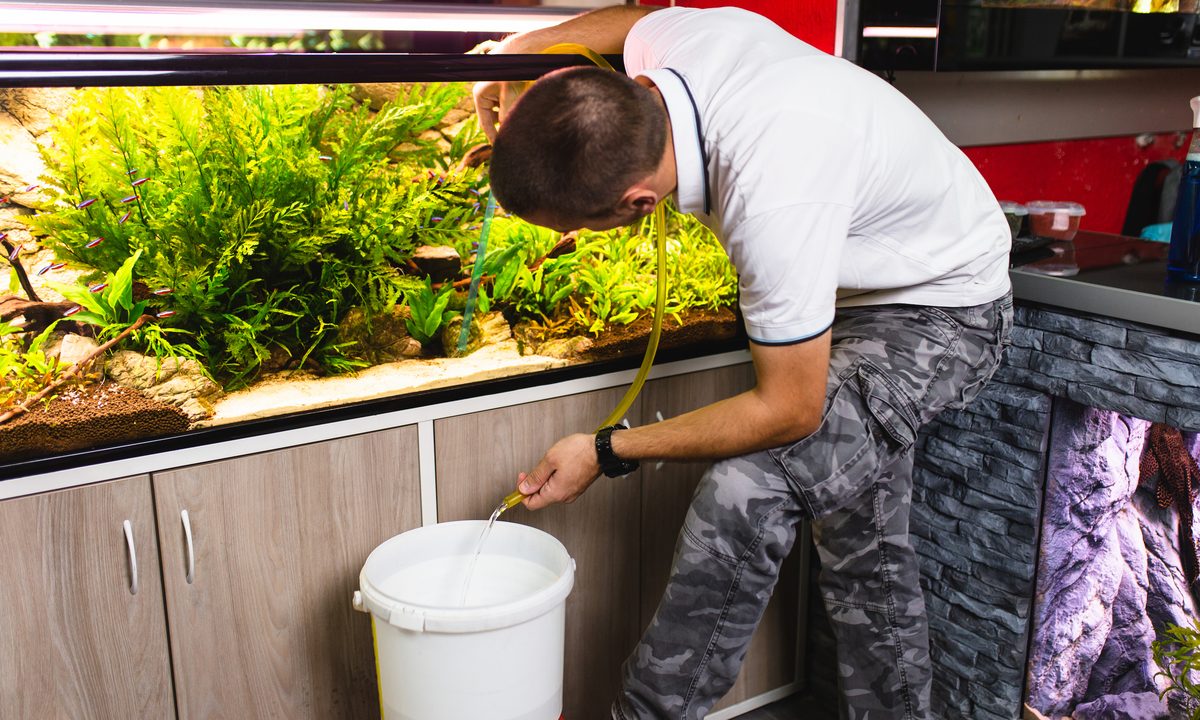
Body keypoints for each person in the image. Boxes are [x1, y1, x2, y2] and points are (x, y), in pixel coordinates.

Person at [473, 6, 1013, 719]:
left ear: (639, 203)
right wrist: (518, 50)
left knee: (748, 490)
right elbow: (641, 14)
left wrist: (606, 449)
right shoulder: (671, 48)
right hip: (853, 288)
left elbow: (789, 411)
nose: (575, 237)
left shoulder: (771, 192)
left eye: (578, 225)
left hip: (943, 311)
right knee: (866, 549)